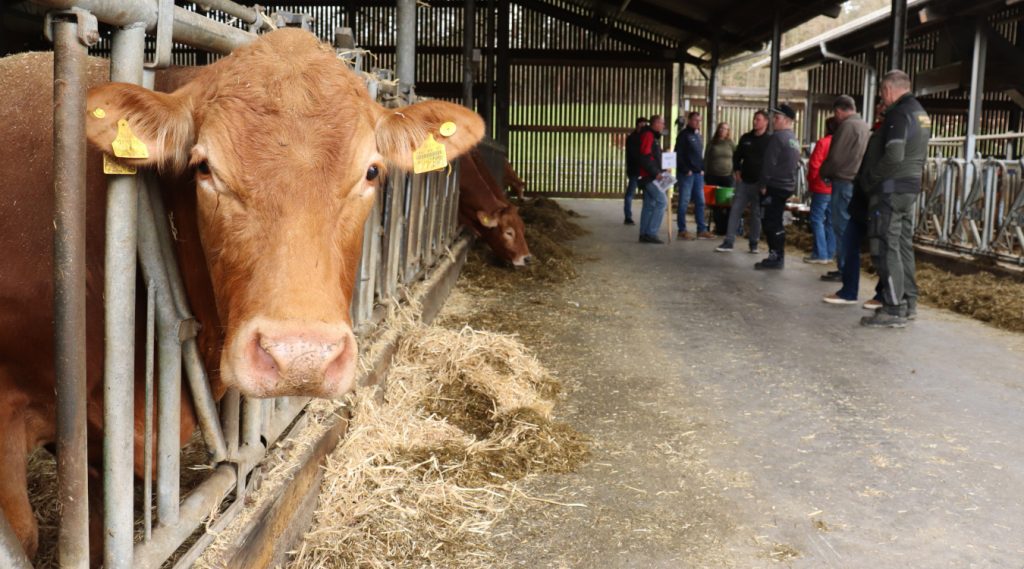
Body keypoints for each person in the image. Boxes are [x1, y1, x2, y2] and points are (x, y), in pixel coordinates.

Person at [859, 70, 931, 327]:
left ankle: (893, 307)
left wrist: (870, 180)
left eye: (881, 93)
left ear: (888, 90)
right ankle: (909, 302)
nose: (882, 98)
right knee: (901, 245)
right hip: (909, 187)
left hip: (890, 189)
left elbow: (894, 156)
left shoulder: (898, 114)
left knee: (885, 246)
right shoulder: (919, 111)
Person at [823, 105, 886, 307]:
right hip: (861, 193)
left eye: (883, 105)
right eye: (879, 105)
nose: (878, 108)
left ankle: (883, 294)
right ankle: (849, 290)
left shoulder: (890, 132)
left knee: (882, 248)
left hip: (876, 196)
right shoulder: (873, 130)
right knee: (850, 240)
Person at [819, 95, 870, 282]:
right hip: (855, 182)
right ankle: (846, 268)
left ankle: (844, 268)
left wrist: (824, 172)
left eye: (836, 112)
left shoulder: (847, 126)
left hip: (843, 181)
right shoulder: (864, 126)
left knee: (841, 226)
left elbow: (836, 157)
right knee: (849, 225)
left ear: (839, 111)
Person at [754, 104, 801, 270]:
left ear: (787, 120)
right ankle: (779, 254)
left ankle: (776, 255)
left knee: (770, 222)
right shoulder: (793, 139)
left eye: (777, 118)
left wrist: (763, 184)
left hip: (773, 185)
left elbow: (769, 163)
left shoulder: (778, 137)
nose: (774, 121)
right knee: (777, 222)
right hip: (786, 186)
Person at [715, 110, 770, 253]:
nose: (755, 121)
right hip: (743, 182)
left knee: (756, 214)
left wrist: (766, 182)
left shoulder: (769, 140)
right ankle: (728, 241)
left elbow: (772, 162)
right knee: (735, 210)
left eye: (758, 119)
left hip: (759, 183)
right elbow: (736, 157)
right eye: (754, 119)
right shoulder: (746, 138)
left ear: (766, 122)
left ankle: (754, 243)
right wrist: (737, 171)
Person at [674, 112, 714, 240]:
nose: (698, 123)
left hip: (698, 174)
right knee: (684, 202)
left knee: (701, 202)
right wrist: (685, 169)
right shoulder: (683, 136)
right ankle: (682, 230)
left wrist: (702, 168)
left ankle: (701, 229)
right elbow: (678, 154)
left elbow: (699, 155)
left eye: (699, 120)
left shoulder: (698, 136)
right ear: (689, 120)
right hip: (687, 174)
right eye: (695, 120)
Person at [803, 118, 837, 264]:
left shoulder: (823, 142)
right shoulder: (841, 143)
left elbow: (815, 165)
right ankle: (830, 253)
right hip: (835, 187)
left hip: (821, 187)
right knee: (830, 221)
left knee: (817, 219)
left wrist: (811, 183)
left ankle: (820, 254)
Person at [637, 114, 668, 243]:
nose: (663, 126)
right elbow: (645, 157)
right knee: (662, 202)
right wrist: (656, 173)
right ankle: (651, 233)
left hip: (648, 175)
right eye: (662, 123)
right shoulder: (649, 136)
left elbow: (652, 156)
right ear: (655, 124)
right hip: (649, 177)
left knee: (649, 205)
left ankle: (644, 233)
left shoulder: (651, 136)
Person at [623, 117, 648, 225]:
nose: (645, 126)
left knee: (647, 194)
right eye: (643, 124)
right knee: (630, 194)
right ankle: (628, 216)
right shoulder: (632, 138)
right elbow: (633, 155)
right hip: (635, 170)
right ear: (638, 124)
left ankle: (646, 216)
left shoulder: (644, 137)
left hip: (643, 170)